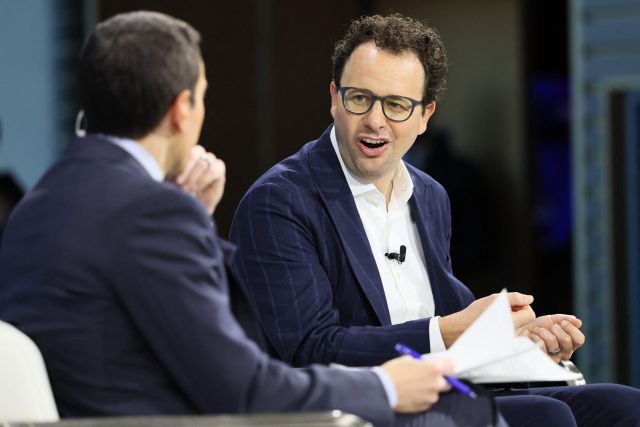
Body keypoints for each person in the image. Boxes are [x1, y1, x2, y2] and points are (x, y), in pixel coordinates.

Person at [0, 11, 506, 427]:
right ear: (181, 109)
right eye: (203, 95)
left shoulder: (39, 202)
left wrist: (191, 217)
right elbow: (244, 384)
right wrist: (383, 386)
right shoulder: (157, 212)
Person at [230, 13, 640, 427]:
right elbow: (308, 348)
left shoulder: (430, 195)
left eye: (396, 105)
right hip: (366, 405)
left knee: (624, 406)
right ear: (335, 98)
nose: (375, 120)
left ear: (425, 115)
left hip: (448, 390)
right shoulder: (279, 202)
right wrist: (443, 332)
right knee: (547, 417)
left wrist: (514, 340)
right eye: (359, 99)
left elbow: (454, 325)